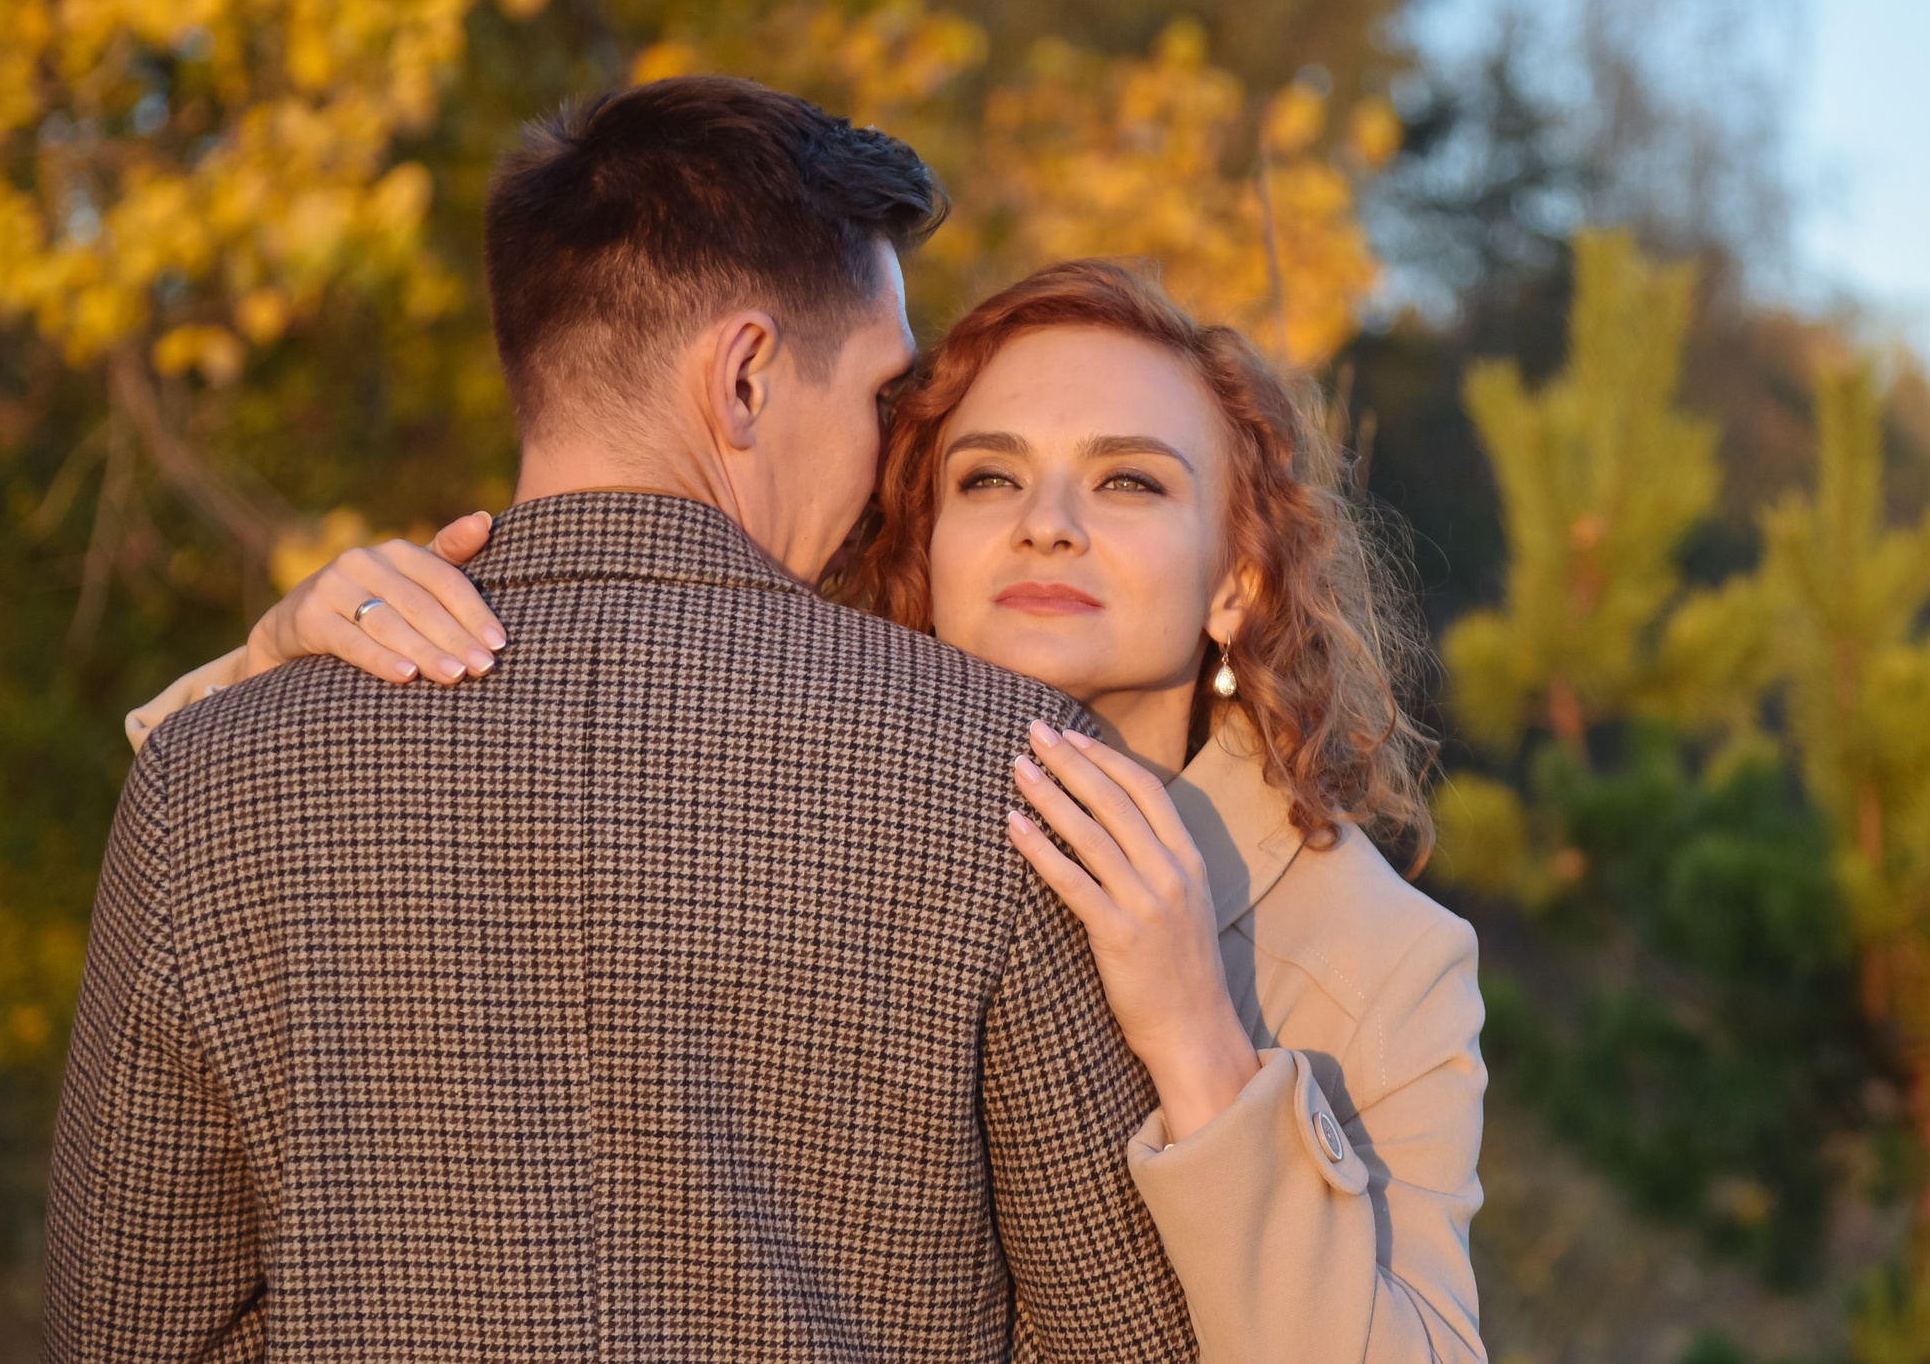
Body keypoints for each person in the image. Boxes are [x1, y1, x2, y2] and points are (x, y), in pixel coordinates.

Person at [137, 259, 1490, 1361]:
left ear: (1236, 584)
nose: (1050, 522)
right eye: (988, 477)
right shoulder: (780, 804)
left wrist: (1204, 1050)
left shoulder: (1381, 960)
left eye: (1132, 479)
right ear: (920, 545)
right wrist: (279, 659)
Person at [48, 78, 1203, 1362]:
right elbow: (1122, 1334)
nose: (895, 462)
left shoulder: (210, 777)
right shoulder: (1016, 770)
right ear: (747, 377)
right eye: (882, 398)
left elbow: (130, 1326)